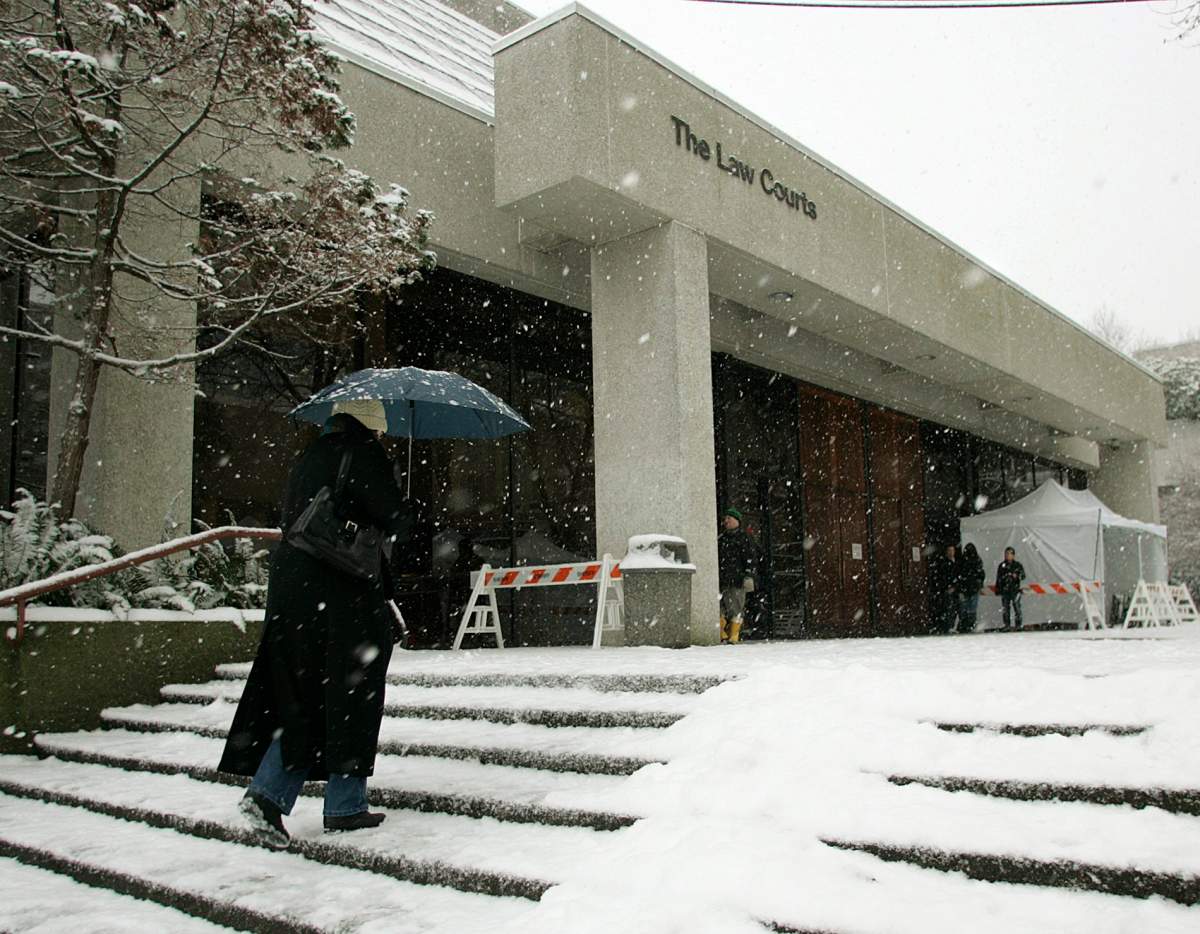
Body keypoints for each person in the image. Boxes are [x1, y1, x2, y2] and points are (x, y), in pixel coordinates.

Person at [219, 399, 412, 848]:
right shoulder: (363, 452)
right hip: (341, 588)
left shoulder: (311, 454)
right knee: (352, 691)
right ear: (370, 424)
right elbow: (391, 517)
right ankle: (279, 798)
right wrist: (408, 506)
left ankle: (334, 802)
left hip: (294, 585)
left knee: (302, 693)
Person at [717, 506, 758, 644]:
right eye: (725, 518)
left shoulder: (745, 538)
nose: (726, 521)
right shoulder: (721, 538)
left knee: (736, 607)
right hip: (721, 579)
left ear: (737, 521)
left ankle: (734, 635)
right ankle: (722, 633)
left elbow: (751, 558)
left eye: (729, 518)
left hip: (737, 579)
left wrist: (748, 575)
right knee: (720, 607)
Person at [929, 544, 959, 634]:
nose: (951, 552)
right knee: (947, 608)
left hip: (953, 589)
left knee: (953, 608)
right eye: (949, 550)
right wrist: (948, 586)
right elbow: (943, 576)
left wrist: (955, 586)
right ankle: (947, 626)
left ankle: (950, 625)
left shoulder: (955, 562)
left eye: (952, 550)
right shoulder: (944, 563)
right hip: (946, 589)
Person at [957, 542, 985, 633]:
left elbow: (959, 575)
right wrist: (979, 584)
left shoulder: (962, 561)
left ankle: (964, 626)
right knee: (971, 609)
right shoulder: (977, 561)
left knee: (964, 609)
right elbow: (981, 574)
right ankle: (971, 625)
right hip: (973, 588)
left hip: (966, 588)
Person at [996, 546, 1026, 631]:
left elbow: (1023, 576)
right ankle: (1007, 625)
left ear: (1013, 555)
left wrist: (1017, 576)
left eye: (1010, 554)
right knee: (1006, 608)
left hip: (1015, 590)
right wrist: (998, 588)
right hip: (1005, 590)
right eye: (1007, 554)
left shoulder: (1017, 565)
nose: (1008, 555)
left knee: (1017, 607)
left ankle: (1018, 625)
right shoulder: (1002, 566)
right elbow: (998, 578)